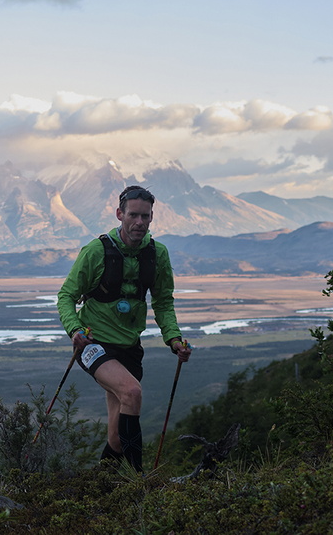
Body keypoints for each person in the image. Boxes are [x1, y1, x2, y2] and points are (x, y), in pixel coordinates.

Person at [56, 185, 191, 473]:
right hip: (93, 344)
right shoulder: (95, 251)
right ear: (120, 214)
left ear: (152, 217)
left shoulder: (158, 254)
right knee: (132, 392)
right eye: (133, 215)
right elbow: (66, 296)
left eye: (146, 216)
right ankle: (137, 479)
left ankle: (101, 485)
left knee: (117, 437)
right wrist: (74, 329)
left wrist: (174, 338)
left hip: (130, 347)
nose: (139, 222)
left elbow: (164, 302)